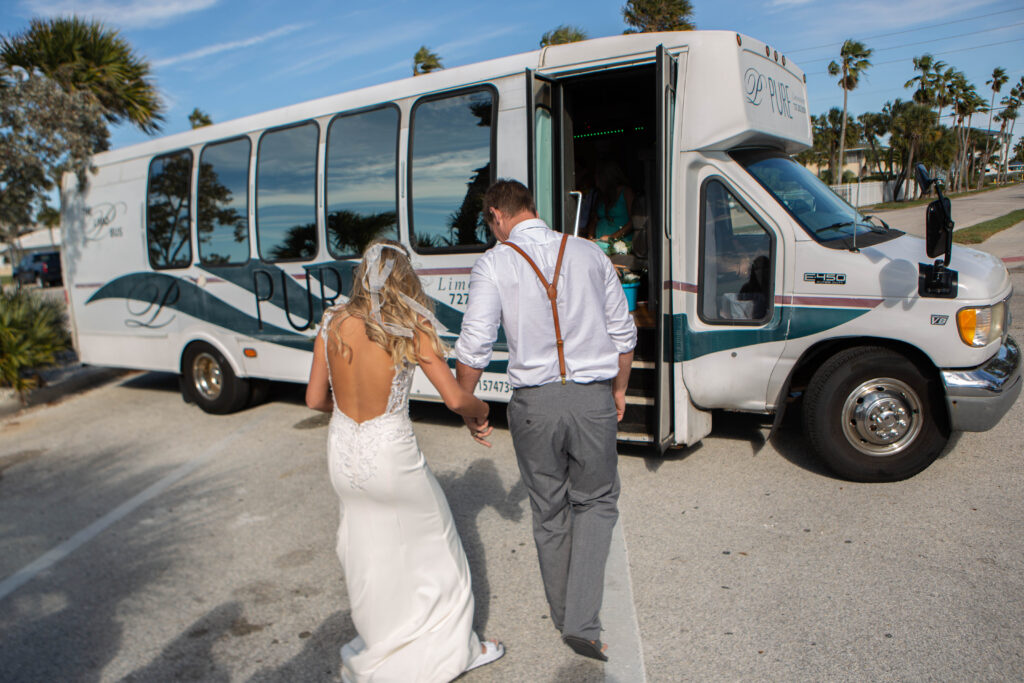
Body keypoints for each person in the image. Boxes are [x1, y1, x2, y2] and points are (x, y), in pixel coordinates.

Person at [454, 180, 637, 662]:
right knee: (596, 502)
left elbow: (473, 343)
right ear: (531, 209)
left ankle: (565, 618)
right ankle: (582, 619)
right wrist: (618, 389)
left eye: (488, 222)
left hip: (533, 406)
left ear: (496, 215)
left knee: (549, 512)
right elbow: (623, 330)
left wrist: (468, 405)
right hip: (591, 398)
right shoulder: (589, 253)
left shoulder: (494, 263)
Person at [306, 239, 504, 683]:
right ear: (404, 278)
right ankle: (455, 652)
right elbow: (455, 398)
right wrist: (481, 413)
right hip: (389, 454)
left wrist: (346, 416)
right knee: (441, 552)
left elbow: (314, 398)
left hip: (343, 452)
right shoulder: (410, 326)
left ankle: (384, 644)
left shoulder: (332, 322)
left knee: (367, 554)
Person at [586, 160, 635, 246]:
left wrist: (612, 237)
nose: (595, 179)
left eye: (597, 176)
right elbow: (594, 220)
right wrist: (590, 237)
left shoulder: (626, 192)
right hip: (599, 240)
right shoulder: (601, 195)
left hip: (619, 242)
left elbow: (633, 222)